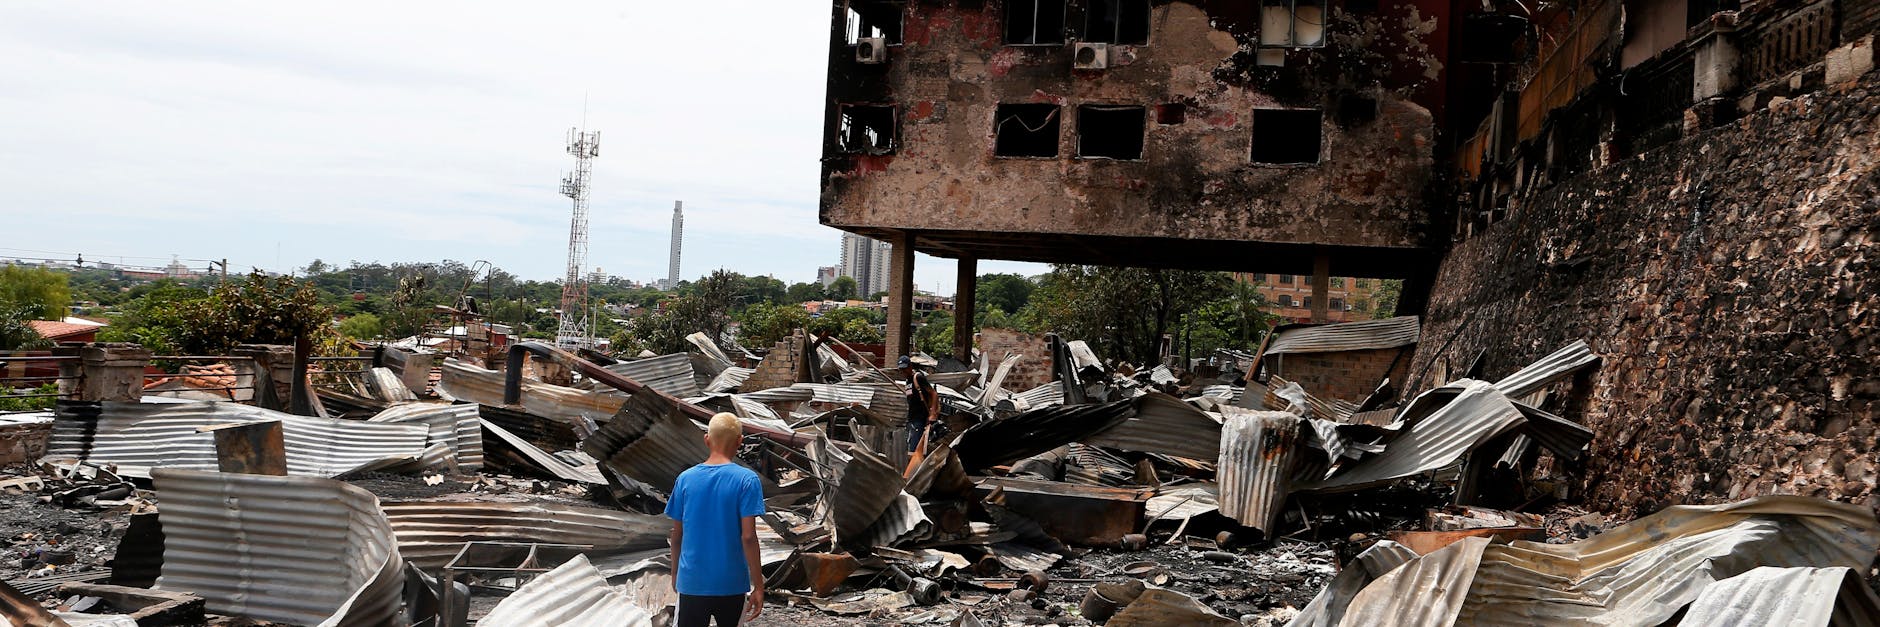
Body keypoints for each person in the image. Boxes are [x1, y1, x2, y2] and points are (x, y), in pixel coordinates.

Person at [666, 412, 765, 626]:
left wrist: (675, 574)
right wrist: (759, 585)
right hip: (732, 584)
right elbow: (748, 537)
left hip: (692, 582)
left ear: (706, 439)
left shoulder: (685, 479)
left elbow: (677, 536)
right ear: (740, 441)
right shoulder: (747, 480)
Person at [900, 354, 939, 452]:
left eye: (905, 369)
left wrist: (933, 414)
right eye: (901, 369)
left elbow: (933, 393)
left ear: (910, 367)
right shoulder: (908, 381)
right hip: (912, 419)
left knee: (914, 450)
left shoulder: (918, 377)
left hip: (920, 419)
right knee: (910, 447)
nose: (903, 371)